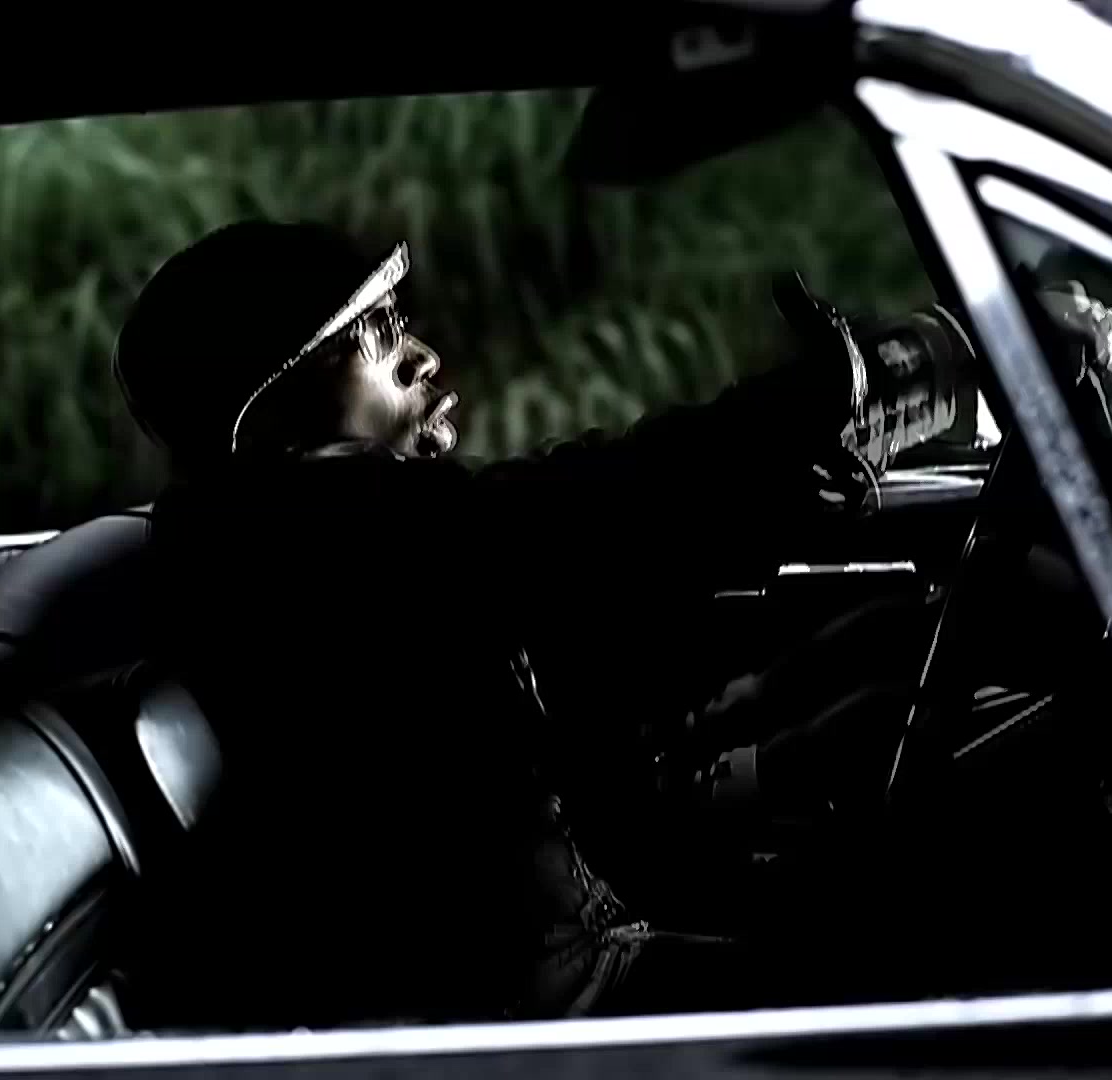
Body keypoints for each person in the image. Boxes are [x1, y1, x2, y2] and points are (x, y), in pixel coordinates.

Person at [109, 220, 976, 1032]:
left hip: (556, 969)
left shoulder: (311, 550)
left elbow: (571, 679)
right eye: (373, 333)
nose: (420, 356)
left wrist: (762, 765)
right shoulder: (312, 545)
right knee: (944, 974)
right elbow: (591, 511)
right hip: (536, 1013)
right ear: (267, 415)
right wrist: (868, 388)